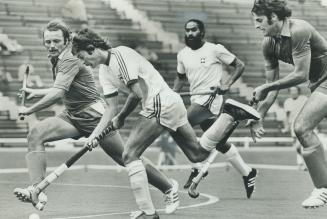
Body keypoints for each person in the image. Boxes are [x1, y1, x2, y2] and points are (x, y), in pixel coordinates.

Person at [72, 28, 260, 218]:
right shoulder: (104, 72)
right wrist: (95, 134)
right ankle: (229, 115)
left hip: (160, 102)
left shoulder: (120, 55)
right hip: (170, 102)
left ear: (91, 48)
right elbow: (110, 109)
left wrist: (121, 117)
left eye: (82, 57)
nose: (84, 63)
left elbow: (136, 94)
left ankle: (148, 211)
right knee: (197, 154)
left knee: (129, 154)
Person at [13, 19, 180, 214]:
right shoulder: (58, 58)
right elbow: (64, 87)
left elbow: (58, 93)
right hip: (72, 115)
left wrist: (29, 109)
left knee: (126, 157)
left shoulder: (69, 58)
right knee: (36, 134)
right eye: (48, 41)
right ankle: (37, 189)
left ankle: (169, 187)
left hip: (94, 115)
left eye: (56, 41)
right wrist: (36, 92)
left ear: (67, 41)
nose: (51, 45)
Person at [250, 0, 327, 208]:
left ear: (274, 17)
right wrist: (259, 117)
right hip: (318, 84)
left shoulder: (299, 30)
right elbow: (271, 86)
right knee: (303, 129)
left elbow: (301, 74)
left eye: (259, 20)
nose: (256, 26)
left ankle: (322, 189)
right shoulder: (268, 43)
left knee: (302, 127)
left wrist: (267, 88)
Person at [173, 19, 257, 198]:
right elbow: (180, 79)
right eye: (187, 30)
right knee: (219, 142)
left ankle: (196, 166)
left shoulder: (214, 49)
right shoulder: (182, 55)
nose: (189, 34)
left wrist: (227, 84)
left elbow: (239, 65)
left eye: (194, 30)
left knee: (177, 123)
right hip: (196, 99)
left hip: (211, 99)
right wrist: (172, 94)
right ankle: (247, 172)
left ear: (202, 32)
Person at [283, 86, 308, 170]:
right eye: (291, 91)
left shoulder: (304, 99)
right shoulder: (287, 102)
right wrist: (286, 126)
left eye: (295, 90)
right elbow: (286, 116)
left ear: (298, 91)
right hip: (293, 125)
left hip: (303, 124)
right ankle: (300, 163)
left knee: (301, 145)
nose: (293, 92)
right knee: (297, 147)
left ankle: (305, 163)